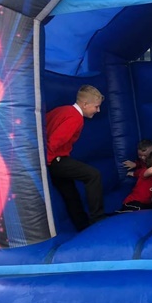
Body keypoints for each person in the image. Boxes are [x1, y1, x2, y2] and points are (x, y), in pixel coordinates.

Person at [45, 84, 107, 231]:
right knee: (93, 175)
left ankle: (82, 225)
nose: (98, 110)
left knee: (70, 193)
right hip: (54, 160)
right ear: (85, 104)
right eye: (96, 106)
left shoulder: (62, 110)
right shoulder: (76, 118)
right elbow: (54, 142)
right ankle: (97, 218)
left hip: (51, 161)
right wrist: (47, 162)